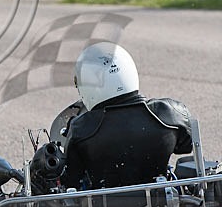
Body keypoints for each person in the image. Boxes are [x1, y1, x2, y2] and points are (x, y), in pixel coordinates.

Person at [60, 42, 193, 190]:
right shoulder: (170, 112)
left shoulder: (81, 128)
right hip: (161, 203)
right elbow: (186, 146)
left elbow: (71, 179)